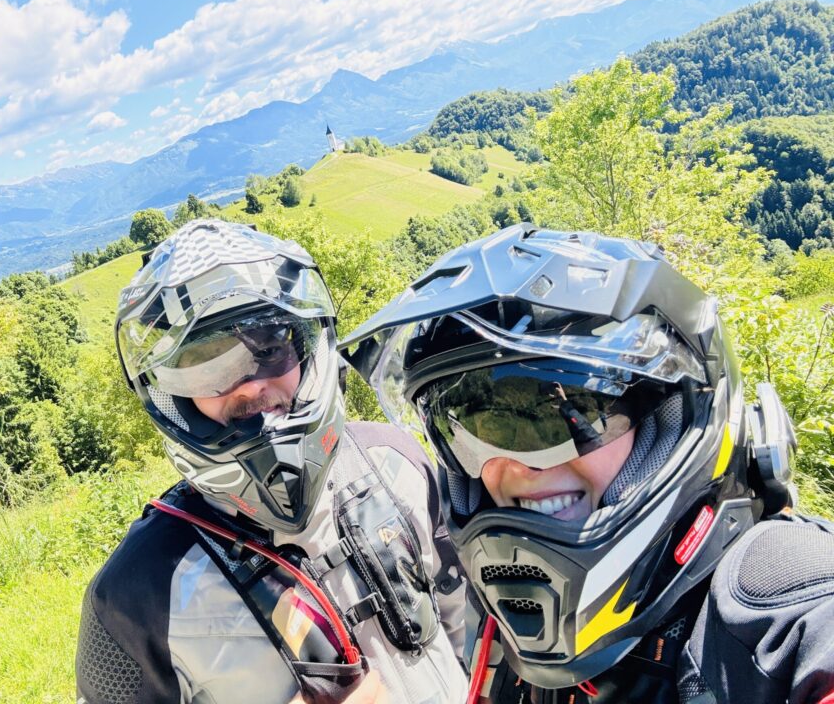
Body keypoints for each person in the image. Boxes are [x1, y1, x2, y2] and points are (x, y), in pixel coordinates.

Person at [340, 223, 834, 704]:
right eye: (468, 429)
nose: (512, 465)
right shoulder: (496, 624)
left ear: (674, 414)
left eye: (556, 421)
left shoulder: (783, 602)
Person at [75, 219, 469, 704]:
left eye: (268, 346)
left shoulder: (396, 464)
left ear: (305, 344)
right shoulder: (136, 595)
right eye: (207, 365)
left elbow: (467, 633)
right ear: (172, 398)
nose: (248, 384)